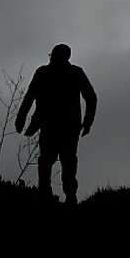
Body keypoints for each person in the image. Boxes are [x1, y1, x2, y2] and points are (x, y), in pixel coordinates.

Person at [15, 43, 97, 204]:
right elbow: (30, 96)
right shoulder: (47, 72)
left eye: (54, 55)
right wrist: (21, 118)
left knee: (63, 161)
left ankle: (66, 196)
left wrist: (87, 122)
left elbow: (91, 97)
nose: (52, 57)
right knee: (52, 161)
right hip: (55, 125)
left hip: (65, 126)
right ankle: (50, 194)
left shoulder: (69, 72)